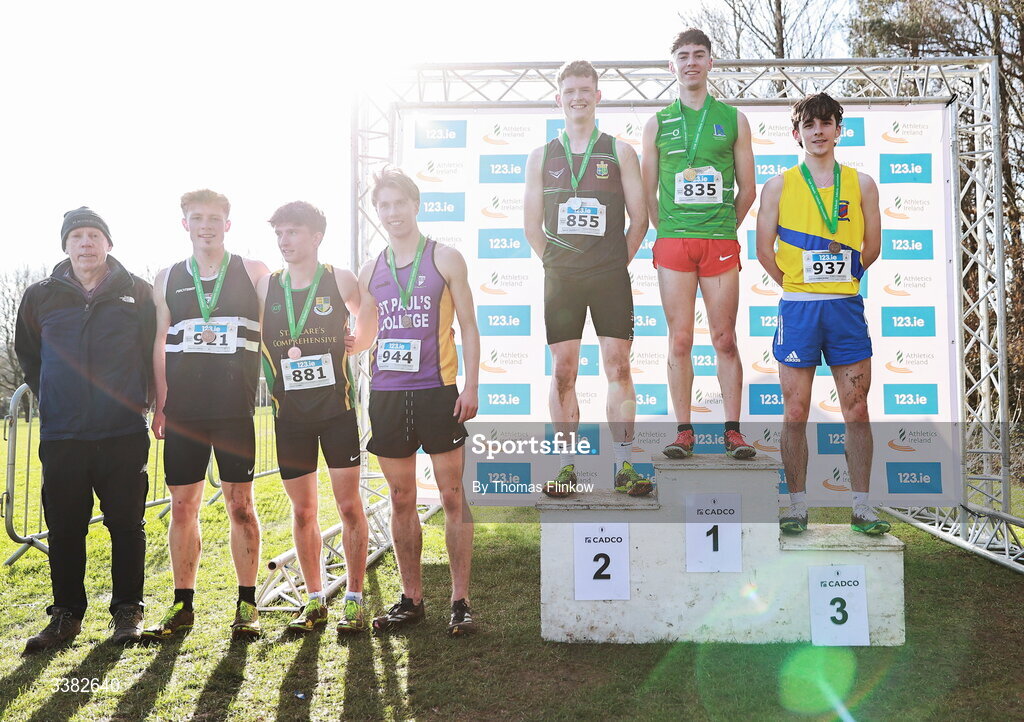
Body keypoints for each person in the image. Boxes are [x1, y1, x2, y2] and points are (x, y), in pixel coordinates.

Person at [15, 207, 155, 652]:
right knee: (64, 527)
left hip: (122, 430)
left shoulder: (139, 292)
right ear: (65, 245)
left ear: (109, 243)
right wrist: (53, 396)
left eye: (94, 235)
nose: (86, 243)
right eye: (77, 236)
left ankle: (127, 613)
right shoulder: (39, 295)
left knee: (126, 524)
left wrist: (144, 399)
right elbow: (29, 354)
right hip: (63, 434)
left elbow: (152, 350)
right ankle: (66, 616)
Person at [351, 167, 480, 637]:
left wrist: (471, 386)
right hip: (388, 395)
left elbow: (468, 326)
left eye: (399, 203)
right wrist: (337, 340)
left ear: (415, 205)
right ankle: (412, 599)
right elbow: (365, 334)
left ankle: (460, 601)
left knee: (451, 495)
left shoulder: (445, 258)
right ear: (377, 211)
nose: (392, 212)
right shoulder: (370, 271)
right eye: (383, 205)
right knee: (401, 497)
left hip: (437, 391)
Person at [755, 92, 891, 535]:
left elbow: (872, 247)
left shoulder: (862, 183)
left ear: (838, 130)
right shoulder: (777, 186)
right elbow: (763, 250)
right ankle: (797, 506)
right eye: (809, 125)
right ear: (797, 134)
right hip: (799, 311)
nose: (818, 131)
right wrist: (797, 285)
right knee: (795, 410)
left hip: (845, 308)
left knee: (857, 408)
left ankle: (862, 508)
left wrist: (841, 280)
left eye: (826, 123)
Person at [145, 189, 270, 641]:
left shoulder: (253, 272)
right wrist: (162, 403)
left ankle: (247, 604)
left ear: (227, 225)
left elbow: (279, 324)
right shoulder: (167, 277)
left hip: (233, 410)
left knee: (241, 506)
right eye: (197, 218)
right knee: (182, 507)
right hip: (184, 413)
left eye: (214, 218)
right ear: (185, 224)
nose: (206, 226)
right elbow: (160, 342)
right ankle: (182, 604)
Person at [524, 59, 651, 497]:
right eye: (570, 91)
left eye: (585, 90)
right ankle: (566, 467)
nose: (577, 97)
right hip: (563, 279)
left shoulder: (620, 152)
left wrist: (613, 263)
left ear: (597, 96)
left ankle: (624, 465)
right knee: (563, 371)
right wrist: (559, 265)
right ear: (558, 99)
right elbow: (531, 227)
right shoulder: (541, 156)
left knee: (618, 366)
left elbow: (639, 220)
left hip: (609, 276)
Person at [641, 28, 757, 460]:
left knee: (724, 338)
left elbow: (748, 189)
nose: (691, 62)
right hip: (674, 242)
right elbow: (647, 191)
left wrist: (724, 226)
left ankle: (733, 432)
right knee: (680, 340)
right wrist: (668, 228)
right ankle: (683, 431)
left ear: (710, 62)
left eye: (699, 55)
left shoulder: (733, 118)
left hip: (719, 242)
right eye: (683, 56)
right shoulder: (657, 123)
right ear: (671, 65)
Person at [256, 201, 370, 632]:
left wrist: (360, 340)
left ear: (316, 236)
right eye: (279, 233)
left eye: (293, 232)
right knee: (303, 511)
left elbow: (369, 313)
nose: (284, 241)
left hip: (337, 412)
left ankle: (354, 598)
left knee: (348, 506)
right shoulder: (267, 286)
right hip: (289, 418)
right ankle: (315, 598)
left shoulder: (339, 278)